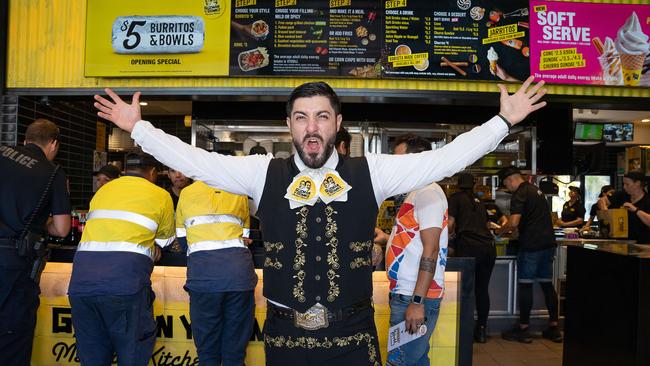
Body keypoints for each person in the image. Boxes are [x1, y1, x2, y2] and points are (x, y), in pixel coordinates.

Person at [93, 77, 547, 364]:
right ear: (289, 125)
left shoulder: (374, 171)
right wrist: (139, 129)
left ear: (337, 123)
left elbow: (445, 159)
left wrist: (502, 122)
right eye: (302, 117)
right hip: (286, 334)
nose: (312, 127)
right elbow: (194, 159)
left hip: (352, 334)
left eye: (322, 117)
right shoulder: (261, 173)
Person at [68, 151, 175, 366]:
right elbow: (166, 239)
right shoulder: (160, 195)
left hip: (81, 286)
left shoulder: (103, 190)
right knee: (132, 355)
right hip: (125, 285)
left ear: (126, 169)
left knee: (92, 360)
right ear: (153, 172)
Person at [0, 119, 71, 366]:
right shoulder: (53, 173)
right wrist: (45, 221)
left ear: (25, 140)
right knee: (12, 333)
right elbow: (62, 229)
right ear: (53, 144)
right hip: (13, 262)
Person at [175, 181, 255, 366]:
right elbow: (245, 234)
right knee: (235, 352)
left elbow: (182, 238)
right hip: (238, 276)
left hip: (204, 277)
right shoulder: (238, 190)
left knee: (207, 352)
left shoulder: (186, 193)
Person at [384, 135, 448, 365]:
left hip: (413, 296)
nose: (396, 167)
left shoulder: (427, 193)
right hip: (407, 294)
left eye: (400, 160)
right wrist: (385, 239)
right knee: (416, 360)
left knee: (400, 361)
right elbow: (415, 241)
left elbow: (430, 250)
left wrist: (417, 302)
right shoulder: (416, 192)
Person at [496, 167, 562, 344]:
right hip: (548, 244)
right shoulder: (536, 190)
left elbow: (514, 222)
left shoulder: (519, 193)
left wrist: (501, 232)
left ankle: (524, 329)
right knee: (547, 285)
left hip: (531, 246)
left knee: (525, 285)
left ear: (510, 180)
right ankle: (554, 328)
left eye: (506, 185)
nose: (507, 188)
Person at [448, 172, 496, 343]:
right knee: (482, 290)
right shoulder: (479, 201)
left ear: (458, 184)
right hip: (488, 248)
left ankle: (464, 331)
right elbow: (488, 225)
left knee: (466, 291)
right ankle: (481, 330)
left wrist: (445, 237)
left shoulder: (455, 198)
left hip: (469, 247)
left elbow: (450, 224)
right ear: (474, 185)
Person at [620, 171, 650, 244]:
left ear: (637, 183)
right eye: (623, 184)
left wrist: (636, 210)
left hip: (643, 245)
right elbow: (601, 201)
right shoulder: (622, 196)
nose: (624, 187)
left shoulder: (647, 200)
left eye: (627, 184)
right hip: (622, 244)